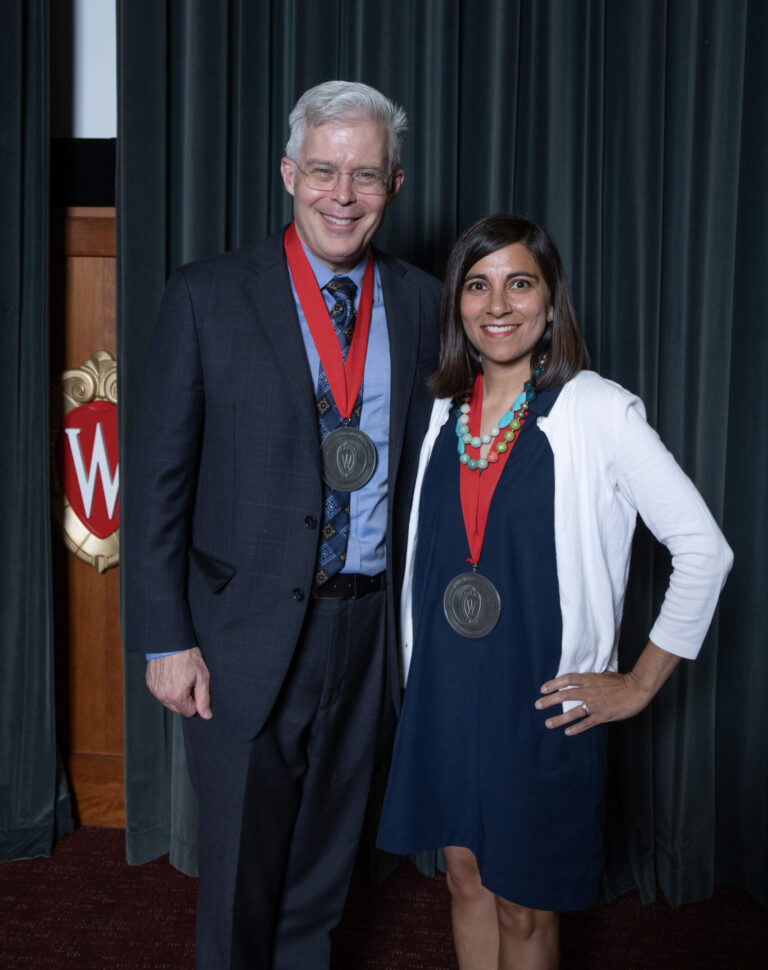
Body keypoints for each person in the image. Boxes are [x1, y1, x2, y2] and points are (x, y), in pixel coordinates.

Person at [124, 81, 440, 970]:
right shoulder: (207, 296)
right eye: (325, 171)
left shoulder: (420, 304)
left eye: (366, 175)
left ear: (395, 185)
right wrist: (165, 639)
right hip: (238, 635)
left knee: (324, 878)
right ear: (288, 173)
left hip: (368, 630)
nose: (344, 194)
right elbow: (155, 485)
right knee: (239, 879)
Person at [375, 213, 733, 970]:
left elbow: (705, 550)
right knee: (464, 880)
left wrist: (637, 683)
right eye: (478, 285)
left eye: (519, 283)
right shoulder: (441, 409)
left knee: (525, 906)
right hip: (445, 694)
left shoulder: (599, 410)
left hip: (538, 706)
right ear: (457, 304)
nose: (497, 304)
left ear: (549, 300)